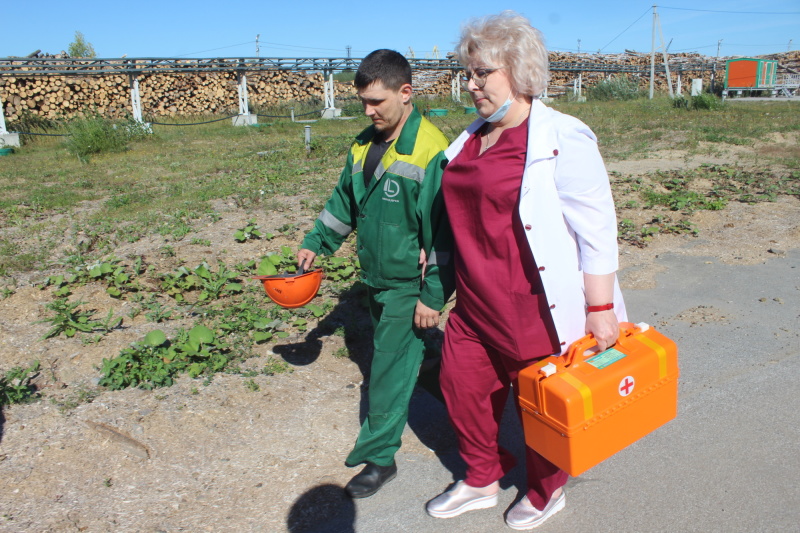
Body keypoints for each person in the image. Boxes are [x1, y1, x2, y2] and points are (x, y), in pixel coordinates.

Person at [425, 11, 627, 530]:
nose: (469, 86)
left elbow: (597, 229)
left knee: (543, 411)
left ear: (518, 72)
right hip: (474, 306)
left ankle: (546, 489)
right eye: (467, 74)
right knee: (460, 388)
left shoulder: (562, 136)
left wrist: (601, 309)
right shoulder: (471, 139)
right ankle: (482, 477)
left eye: (481, 74)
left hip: (533, 310)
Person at [296, 49, 452, 499]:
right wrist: (315, 243)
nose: (367, 111)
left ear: (406, 93)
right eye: (362, 101)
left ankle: (379, 458)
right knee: (416, 362)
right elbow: (344, 203)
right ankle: (481, 411)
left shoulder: (430, 152)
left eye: (376, 102)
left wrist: (433, 295)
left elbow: (444, 235)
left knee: (384, 369)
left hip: (408, 285)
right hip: (375, 280)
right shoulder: (364, 144)